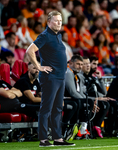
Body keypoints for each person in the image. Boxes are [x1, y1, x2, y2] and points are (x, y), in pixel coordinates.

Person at [26, 11, 75, 147]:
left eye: (60, 20)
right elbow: (30, 50)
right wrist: (39, 67)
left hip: (60, 77)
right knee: (46, 108)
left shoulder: (57, 36)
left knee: (58, 108)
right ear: (48, 22)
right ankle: (43, 139)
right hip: (50, 77)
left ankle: (57, 138)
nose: (59, 23)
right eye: (56, 20)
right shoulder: (45, 36)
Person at [81, 56, 110, 138]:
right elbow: (82, 92)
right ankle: (88, 128)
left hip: (93, 99)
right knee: (102, 104)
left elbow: (104, 92)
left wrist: (100, 79)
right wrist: (97, 99)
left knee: (109, 103)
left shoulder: (93, 77)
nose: (95, 66)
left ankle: (98, 127)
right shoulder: (82, 76)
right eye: (93, 64)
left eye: (97, 64)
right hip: (87, 99)